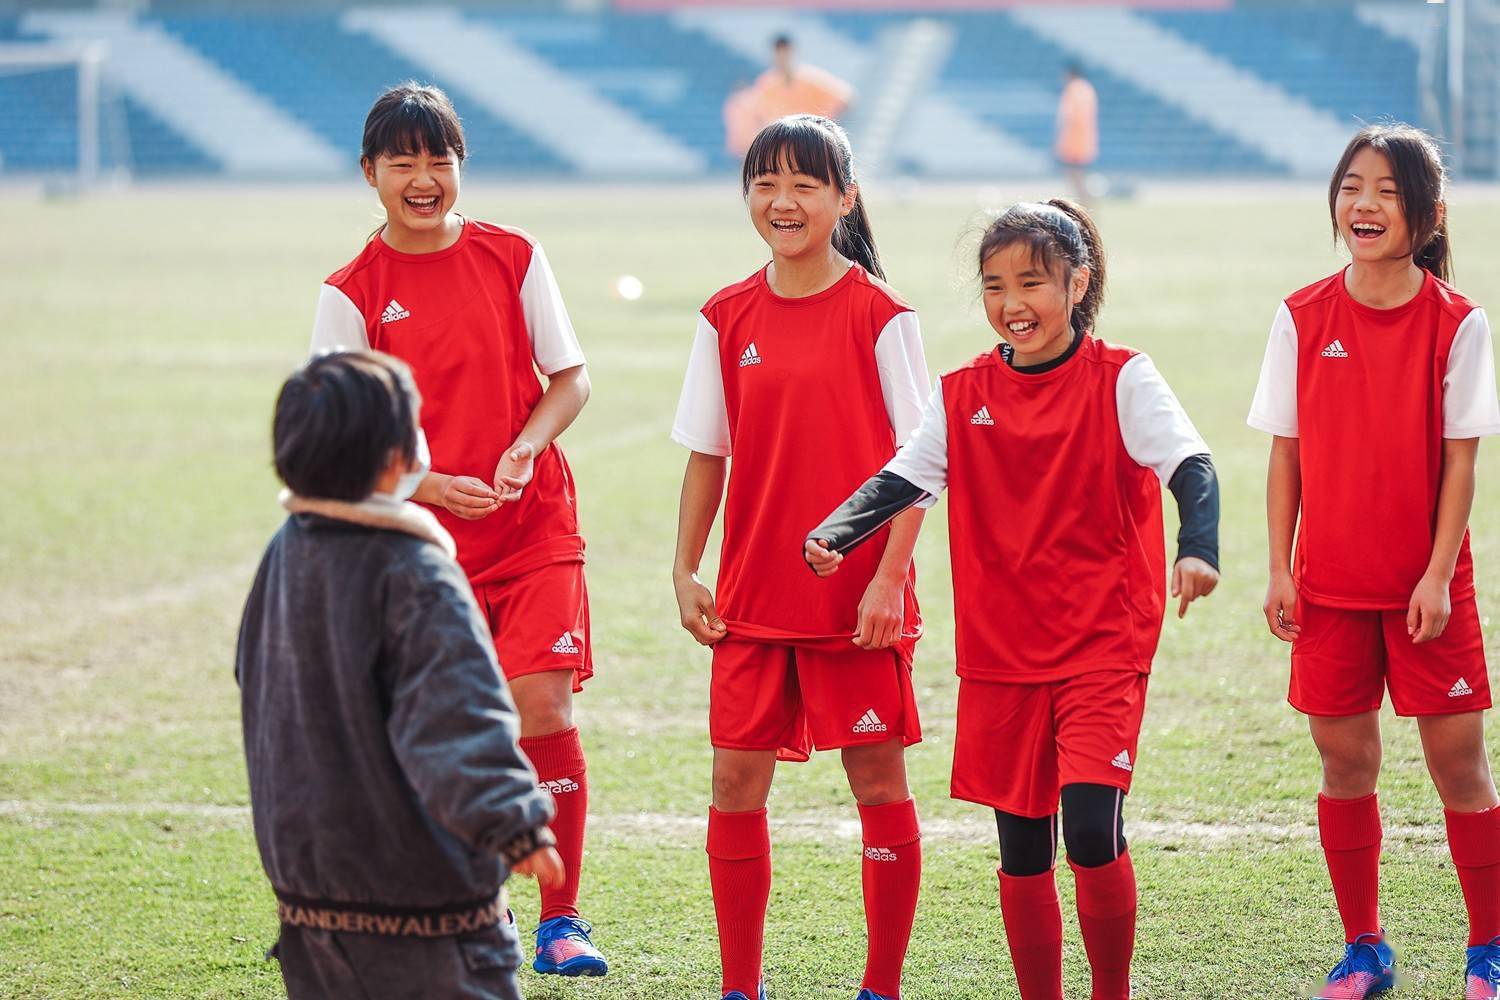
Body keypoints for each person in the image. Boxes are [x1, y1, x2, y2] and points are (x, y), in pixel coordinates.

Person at [806, 198, 1220, 1000]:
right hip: (1003, 656)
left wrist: (1196, 548)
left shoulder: (1123, 376)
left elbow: (1191, 463)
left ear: (1078, 284)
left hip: (1102, 642)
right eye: (994, 285)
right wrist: (837, 532)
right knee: (1023, 851)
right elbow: (905, 475)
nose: (1011, 303)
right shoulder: (964, 393)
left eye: (1031, 282)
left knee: (1093, 834)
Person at [308, 82, 606, 977]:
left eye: (440, 159)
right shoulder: (351, 295)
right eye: (405, 162)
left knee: (541, 706)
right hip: (423, 551)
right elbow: (330, 442)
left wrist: (523, 449)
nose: (425, 178)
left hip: (536, 524)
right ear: (371, 174)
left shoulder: (513, 256)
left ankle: (562, 921)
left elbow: (571, 378)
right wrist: (426, 481)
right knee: (447, 730)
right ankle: (482, 908)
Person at [671, 114, 930, 1000]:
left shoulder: (883, 316)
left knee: (877, 782)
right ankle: (740, 987)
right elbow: (708, 453)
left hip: (854, 602)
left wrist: (890, 579)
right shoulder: (725, 315)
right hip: (750, 597)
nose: (783, 202)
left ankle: (881, 986)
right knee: (735, 782)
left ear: (845, 198)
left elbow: (920, 466)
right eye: (765, 184)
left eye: (805, 185)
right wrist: (685, 567)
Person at [1249, 123, 1500, 1000]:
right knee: (1345, 766)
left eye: (1388, 191)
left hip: (1428, 589)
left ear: (1427, 216)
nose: (1364, 203)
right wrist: (1279, 567)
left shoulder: (1457, 323)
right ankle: (1365, 947)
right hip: (1328, 589)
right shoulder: (1302, 314)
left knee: (1461, 767)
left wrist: (1435, 574)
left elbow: (1462, 462)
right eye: (1352, 185)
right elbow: (1286, 454)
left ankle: (1489, 950)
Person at [237, 350, 564, 1000]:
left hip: (308, 892)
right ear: (397, 460)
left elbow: (256, 680)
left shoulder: (284, 553)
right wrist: (514, 824)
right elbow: (457, 714)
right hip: (423, 902)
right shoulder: (417, 575)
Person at [724, 35, 854, 158]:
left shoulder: (811, 79)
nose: (782, 57)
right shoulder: (767, 82)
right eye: (779, 53)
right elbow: (758, 114)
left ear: (792, 52)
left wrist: (823, 124)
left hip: (809, 143)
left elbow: (845, 98)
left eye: (785, 52)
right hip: (781, 145)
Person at [1055, 64, 1098, 207]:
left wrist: (1061, 141)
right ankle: (1086, 206)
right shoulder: (1087, 89)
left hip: (1074, 142)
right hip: (1085, 141)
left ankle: (1085, 208)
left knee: (1076, 179)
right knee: (1078, 178)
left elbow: (1069, 117)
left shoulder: (1073, 89)